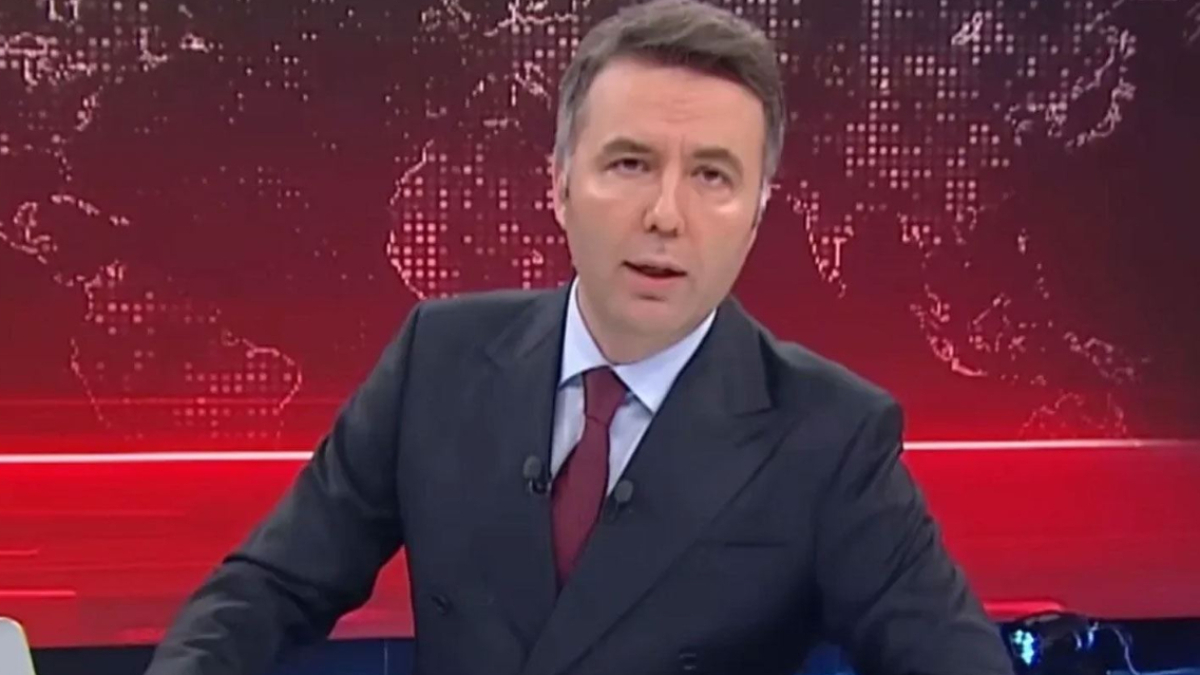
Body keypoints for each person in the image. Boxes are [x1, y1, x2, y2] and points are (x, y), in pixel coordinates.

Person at [145, 1, 1015, 673]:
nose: (666, 215)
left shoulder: (829, 436)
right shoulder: (437, 360)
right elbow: (266, 589)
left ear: (756, 214)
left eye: (712, 176)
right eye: (630, 163)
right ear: (559, 184)